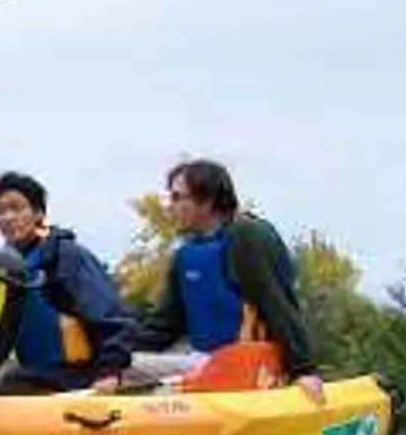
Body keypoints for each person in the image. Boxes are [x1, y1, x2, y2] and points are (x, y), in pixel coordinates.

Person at [133, 158, 324, 404]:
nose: (171, 206)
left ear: (207, 200)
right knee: (119, 364)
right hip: (202, 362)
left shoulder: (247, 236)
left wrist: (304, 370)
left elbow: (277, 302)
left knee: (124, 367)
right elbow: (163, 328)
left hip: (248, 365)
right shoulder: (186, 254)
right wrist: (112, 350)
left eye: (178, 197)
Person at [0, 171, 138, 393]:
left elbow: (112, 318)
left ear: (38, 213)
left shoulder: (65, 256)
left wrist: (109, 372)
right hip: (35, 371)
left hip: (78, 373)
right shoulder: (3, 269)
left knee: (6, 387)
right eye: (0, 211)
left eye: (17, 208)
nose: (8, 217)